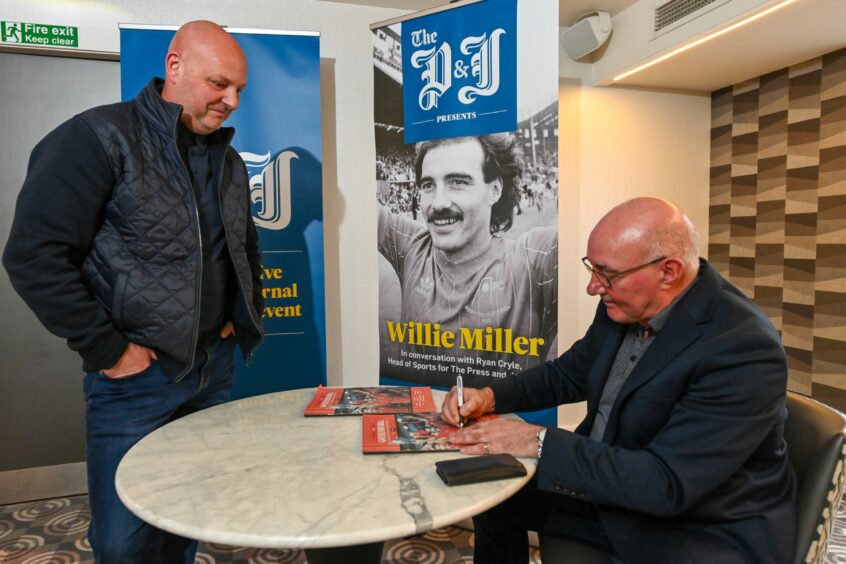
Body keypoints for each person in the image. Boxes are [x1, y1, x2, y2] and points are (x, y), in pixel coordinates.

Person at [3, 20, 264, 563]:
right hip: (135, 381)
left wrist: (236, 316)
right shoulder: (98, 137)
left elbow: (239, 248)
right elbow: (33, 254)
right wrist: (109, 350)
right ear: (176, 68)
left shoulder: (229, 158)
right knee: (124, 543)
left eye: (239, 89)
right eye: (220, 84)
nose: (232, 101)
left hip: (211, 372)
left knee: (185, 518)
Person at [442, 197, 797, 563]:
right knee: (494, 493)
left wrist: (538, 440)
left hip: (693, 526)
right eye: (592, 269)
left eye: (606, 274)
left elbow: (666, 484)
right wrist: (489, 396)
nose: (593, 287)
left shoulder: (743, 349)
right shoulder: (623, 305)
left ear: (669, 271)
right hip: (611, 487)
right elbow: (568, 374)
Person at [378, 133, 558, 387]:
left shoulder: (534, 261)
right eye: (428, 185)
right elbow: (351, 199)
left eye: (458, 182)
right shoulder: (411, 247)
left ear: (495, 190)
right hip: (422, 422)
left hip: (510, 425)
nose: (438, 202)